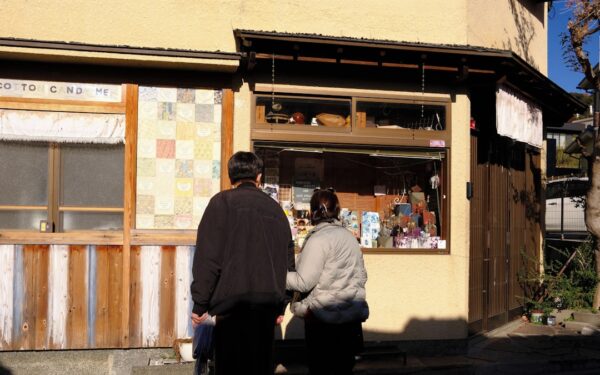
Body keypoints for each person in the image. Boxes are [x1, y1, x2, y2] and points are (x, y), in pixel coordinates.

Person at [190, 151, 295, 375]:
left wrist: (200, 304)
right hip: (266, 309)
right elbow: (287, 263)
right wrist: (282, 304)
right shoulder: (276, 210)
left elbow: (208, 258)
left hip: (231, 310)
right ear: (259, 177)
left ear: (231, 177)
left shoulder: (221, 203)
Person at [286, 188, 369, 375]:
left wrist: (276, 275)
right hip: (349, 320)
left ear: (313, 211)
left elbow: (303, 282)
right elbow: (363, 276)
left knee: (322, 368)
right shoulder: (350, 238)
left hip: (323, 321)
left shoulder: (318, 239)